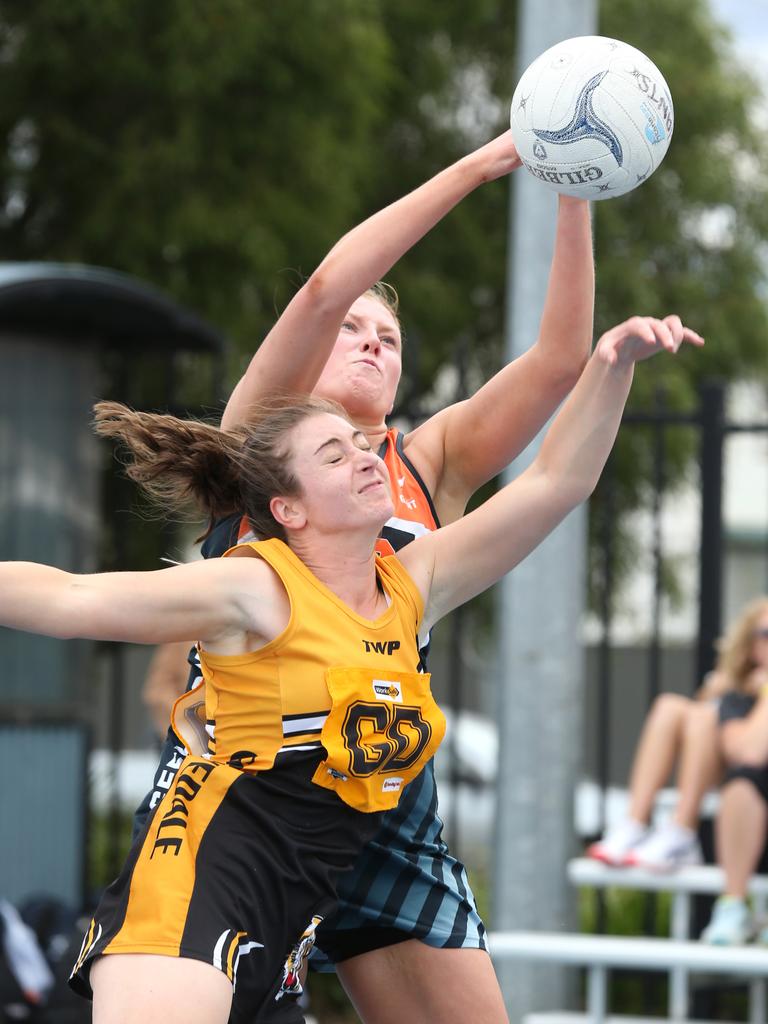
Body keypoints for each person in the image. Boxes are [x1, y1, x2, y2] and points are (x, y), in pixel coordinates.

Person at [0, 313, 701, 1024]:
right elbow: (69, 595)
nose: (368, 459)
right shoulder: (254, 589)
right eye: (335, 457)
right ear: (288, 509)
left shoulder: (411, 584)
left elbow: (556, 481)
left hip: (298, 910)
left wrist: (613, 364)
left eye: (363, 448)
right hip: (196, 885)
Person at [133, 129, 596, 1024]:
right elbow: (326, 284)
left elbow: (558, 363)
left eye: (390, 336)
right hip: (256, 785)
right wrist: (477, 167)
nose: (372, 341)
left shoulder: (432, 463)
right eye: (355, 330)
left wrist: (576, 181)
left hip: (383, 784)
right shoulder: (258, 446)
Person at [588, 597, 768, 873]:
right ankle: (635, 822)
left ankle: (681, 830)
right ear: (751, 642)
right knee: (670, 707)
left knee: (705, 716)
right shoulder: (739, 690)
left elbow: (748, 753)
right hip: (733, 795)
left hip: (752, 802)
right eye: (765, 634)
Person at [698, 598, 768, 945]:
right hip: (747, 837)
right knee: (741, 784)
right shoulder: (739, 698)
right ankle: (733, 907)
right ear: (751, 645)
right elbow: (748, 752)